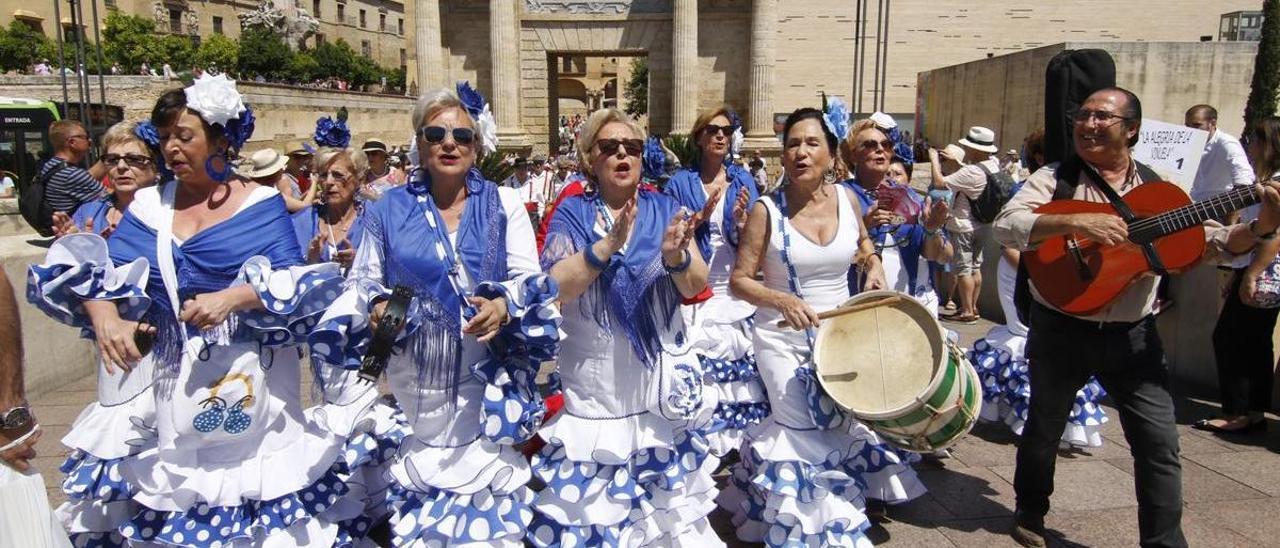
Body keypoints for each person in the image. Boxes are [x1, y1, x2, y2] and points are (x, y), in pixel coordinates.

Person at [27, 74, 389, 547]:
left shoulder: (261, 204)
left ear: (220, 138)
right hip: (176, 388)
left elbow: (297, 284)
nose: (172, 149)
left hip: (254, 386)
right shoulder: (148, 207)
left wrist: (233, 298)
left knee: (262, 509)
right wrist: (104, 316)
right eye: (165, 138)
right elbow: (98, 276)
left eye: (185, 136)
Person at [995, 87, 1280, 548]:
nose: (1088, 124)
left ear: (1131, 130)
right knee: (1045, 426)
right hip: (1061, 327)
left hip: (1133, 335)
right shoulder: (1056, 178)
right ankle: (1031, 508)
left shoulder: (1160, 188)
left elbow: (1211, 244)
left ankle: (1165, 542)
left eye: (1102, 117)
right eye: (1083, 114)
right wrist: (1074, 223)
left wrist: (1260, 227)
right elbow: (1008, 225)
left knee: (1159, 444)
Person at [310, 84, 560, 546]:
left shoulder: (504, 205)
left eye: (462, 136)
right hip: (417, 379)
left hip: (487, 376)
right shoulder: (387, 209)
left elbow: (530, 278)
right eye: (436, 133)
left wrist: (504, 304)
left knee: (489, 509)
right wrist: (375, 305)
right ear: (420, 144)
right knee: (427, 507)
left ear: (477, 145)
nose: (449, 143)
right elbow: (363, 280)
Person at [720, 107, 924, 546]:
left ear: (832, 155)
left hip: (841, 337)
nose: (801, 152)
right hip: (781, 337)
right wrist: (780, 298)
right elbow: (739, 280)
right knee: (801, 429)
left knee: (835, 426)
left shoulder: (849, 201)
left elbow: (864, 245)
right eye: (793, 143)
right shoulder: (765, 210)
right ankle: (812, 531)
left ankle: (797, 512)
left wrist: (871, 265)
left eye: (812, 143)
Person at [533, 108, 721, 546]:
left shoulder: (667, 209)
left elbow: (696, 283)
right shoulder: (571, 213)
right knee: (599, 504)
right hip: (596, 381)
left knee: (662, 508)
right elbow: (555, 286)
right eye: (609, 147)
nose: (622, 154)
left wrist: (676, 258)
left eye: (632, 148)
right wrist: (605, 248)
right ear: (590, 158)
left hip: (655, 381)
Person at [663, 106, 767, 457]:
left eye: (725, 130)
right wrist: (700, 218)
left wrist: (739, 222)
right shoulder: (679, 182)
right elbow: (671, 234)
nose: (720, 135)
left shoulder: (743, 180)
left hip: (734, 284)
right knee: (700, 362)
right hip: (697, 284)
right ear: (699, 138)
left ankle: (738, 440)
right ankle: (701, 434)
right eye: (712, 130)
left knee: (740, 367)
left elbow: (755, 238)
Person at [1197, 117, 1280, 435]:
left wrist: (1250, 274)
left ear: (1268, 144)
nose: (1249, 147)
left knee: (1231, 338)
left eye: (1254, 140)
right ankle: (1254, 411)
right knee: (1256, 341)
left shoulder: (1274, 186)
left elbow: (1274, 234)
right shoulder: (1268, 180)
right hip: (1259, 267)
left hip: (1263, 269)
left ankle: (1237, 412)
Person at [842, 119, 951, 316]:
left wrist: (932, 230)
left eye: (886, 145)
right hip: (857, 308)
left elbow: (937, 255)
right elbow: (828, 253)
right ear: (853, 155)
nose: (880, 149)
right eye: (869, 145)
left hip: (903, 308)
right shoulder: (838, 196)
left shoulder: (910, 197)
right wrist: (864, 228)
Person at [51, 122, 161, 239]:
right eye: (112, 159)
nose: (121, 166)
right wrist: (76, 246)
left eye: (134, 159)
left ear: (156, 165)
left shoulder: (171, 212)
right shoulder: (87, 213)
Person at [292, 146, 367, 274]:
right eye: (323, 175)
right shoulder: (301, 222)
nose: (328, 181)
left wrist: (359, 261)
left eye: (338, 175)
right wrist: (311, 262)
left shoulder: (373, 219)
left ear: (358, 179)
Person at [1187, 104, 1253, 222]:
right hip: (1191, 209)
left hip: (1218, 213)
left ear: (1212, 123)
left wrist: (1230, 223)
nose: (1191, 130)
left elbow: (1244, 181)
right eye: (1188, 126)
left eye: (1197, 125)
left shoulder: (1226, 143)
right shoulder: (1188, 143)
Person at [38, 120, 106, 224]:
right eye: (85, 137)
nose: (90, 140)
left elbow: (86, 178)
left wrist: (108, 158)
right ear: (72, 142)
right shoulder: (71, 174)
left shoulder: (51, 165)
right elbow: (110, 197)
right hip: (76, 230)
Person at [239, 148, 316, 213]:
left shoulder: (254, 191)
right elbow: (305, 206)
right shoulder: (270, 194)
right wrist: (314, 183)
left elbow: (294, 202)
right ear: (276, 172)